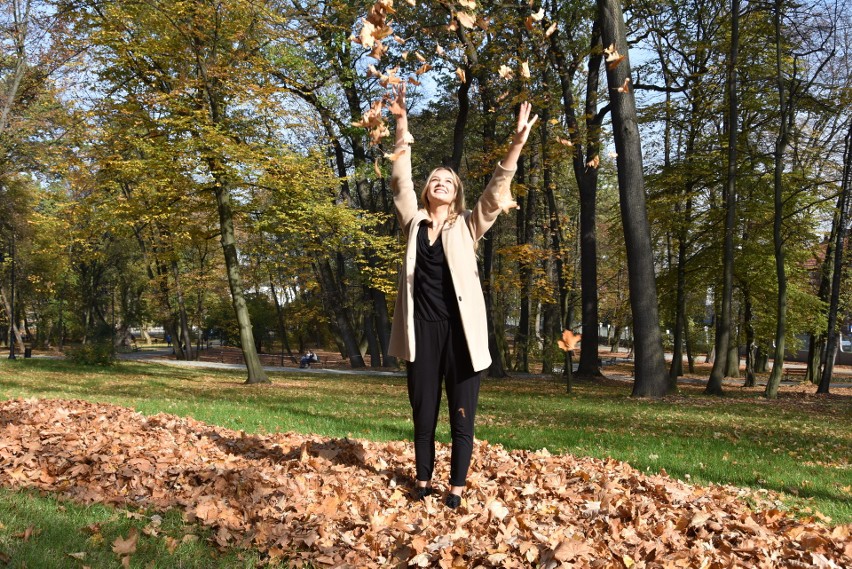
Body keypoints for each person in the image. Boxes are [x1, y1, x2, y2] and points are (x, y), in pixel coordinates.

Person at [387, 84, 537, 509]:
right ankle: (422, 481)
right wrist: (401, 125)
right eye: (434, 180)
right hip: (422, 333)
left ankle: (455, 487)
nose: (439, 183)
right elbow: (400, 181)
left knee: (461, 415)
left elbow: (495, 193)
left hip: (462, 335)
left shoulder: (468, 226)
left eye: (448, 181)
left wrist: (517, 144)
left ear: (456, 193)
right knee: (424, 413)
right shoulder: (412, 223)